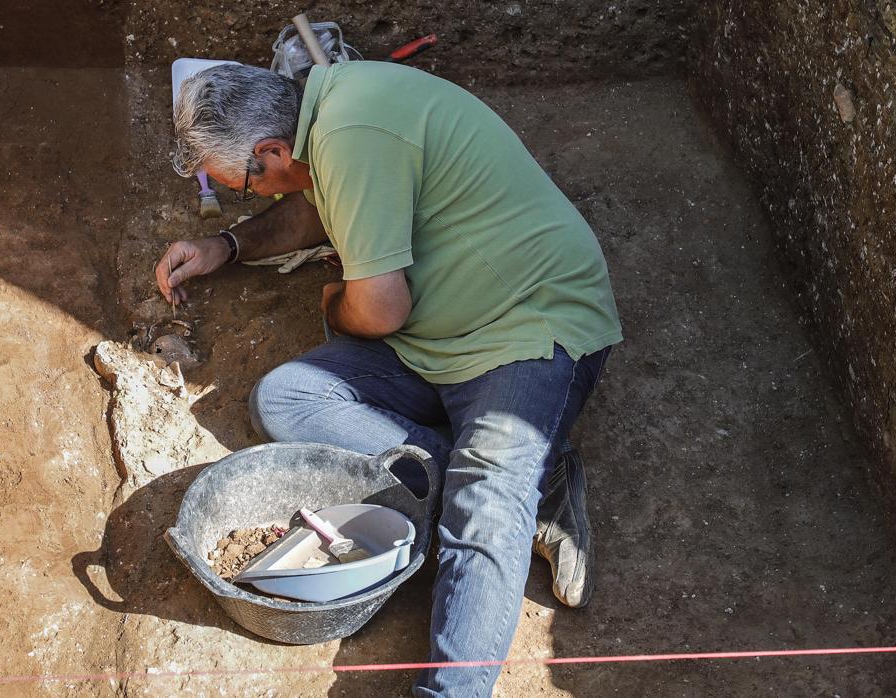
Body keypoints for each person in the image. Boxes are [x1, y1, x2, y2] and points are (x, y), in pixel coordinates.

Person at [156, 61, 622, 696]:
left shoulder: (353, 133)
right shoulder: (327, 118)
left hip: (528, 329)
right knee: (287, 397)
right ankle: (534, 475)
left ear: (272, 151)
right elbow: (316, 209)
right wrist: (228, 245)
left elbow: (379, 311)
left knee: (483, 505)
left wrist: (333, 307)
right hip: (439, 337)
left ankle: (509, 500)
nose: (248, 195)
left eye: (240, 185)